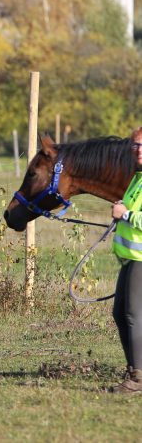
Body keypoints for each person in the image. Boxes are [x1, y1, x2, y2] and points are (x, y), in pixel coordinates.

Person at [111, 126, 142, 393]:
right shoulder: (138, 177)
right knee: (120, 313)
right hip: (131, 257)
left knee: (132, 314)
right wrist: (123, 207)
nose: (138, 150)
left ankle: (138, 379)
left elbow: (134, 216)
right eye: (135, 146)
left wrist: (126, 215)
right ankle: (134, 368)